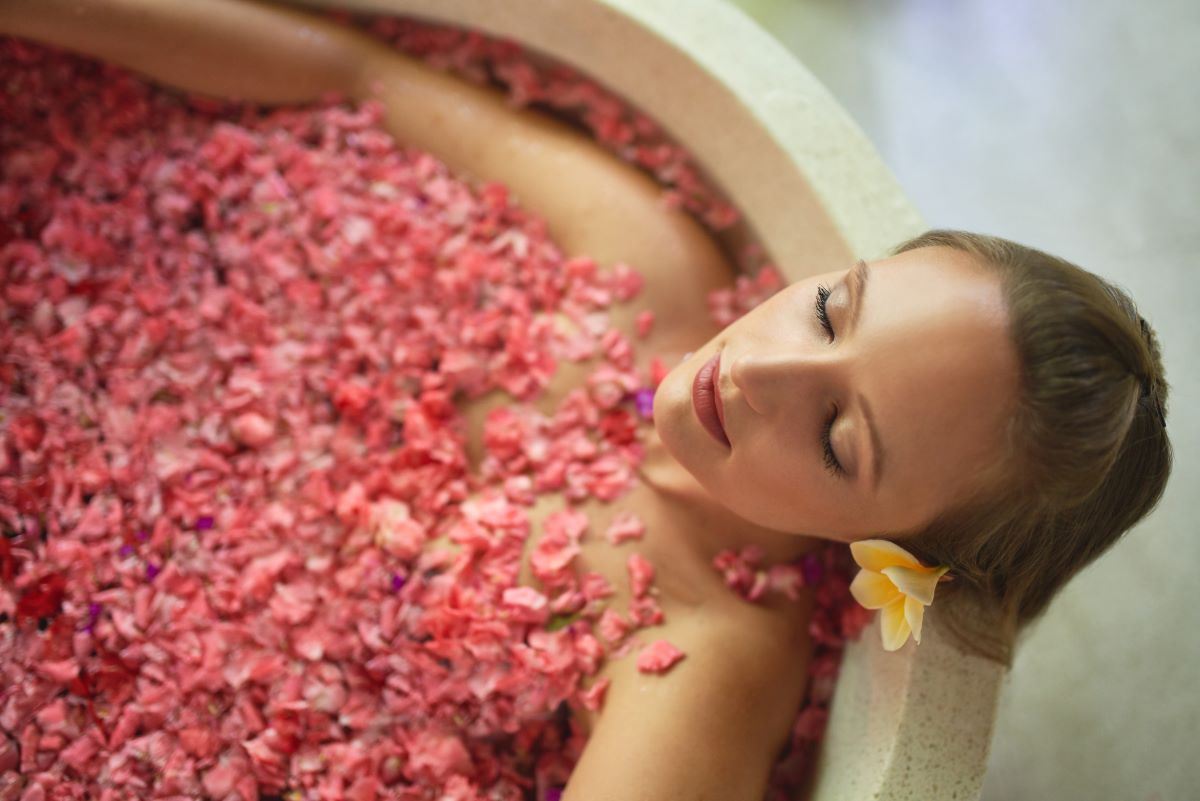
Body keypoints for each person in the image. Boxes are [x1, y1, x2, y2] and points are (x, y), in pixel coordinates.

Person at [0, 1, 1173, 799]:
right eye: (828, 311)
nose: (756, 370)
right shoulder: (642, 254)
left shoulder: (703, 653)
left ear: (885, 549)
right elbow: (347, 73)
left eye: (839, 435)